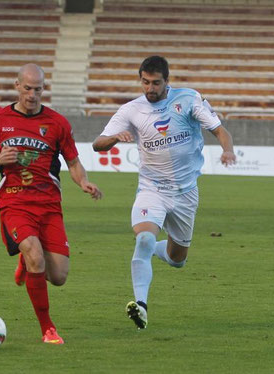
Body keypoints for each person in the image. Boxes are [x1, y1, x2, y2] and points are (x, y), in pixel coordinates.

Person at [92, 55, 236, 330]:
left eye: (156, 83)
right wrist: (114, 138)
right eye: (145, 82)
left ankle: (160, 252)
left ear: (167, 81)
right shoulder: (132, 110)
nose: (150, 88)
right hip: (152, 189)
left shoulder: (189, 99)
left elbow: (220, 130)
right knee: (144, 238)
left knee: (177, 259)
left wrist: (227, 150)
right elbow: (98, 143)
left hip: (186, 193)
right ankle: (141, 306)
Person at [0, 64, 102, 344]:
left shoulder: (57, 123)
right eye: (28, 88)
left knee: (58, 276)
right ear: (17, 86)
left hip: (48, 204)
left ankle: (25, 260)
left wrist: (83, 182)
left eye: (38, 89)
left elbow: (73, 161)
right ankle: (48, 329)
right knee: (35, 254)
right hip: (14, 201)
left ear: (44, 89)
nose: (32, 95)